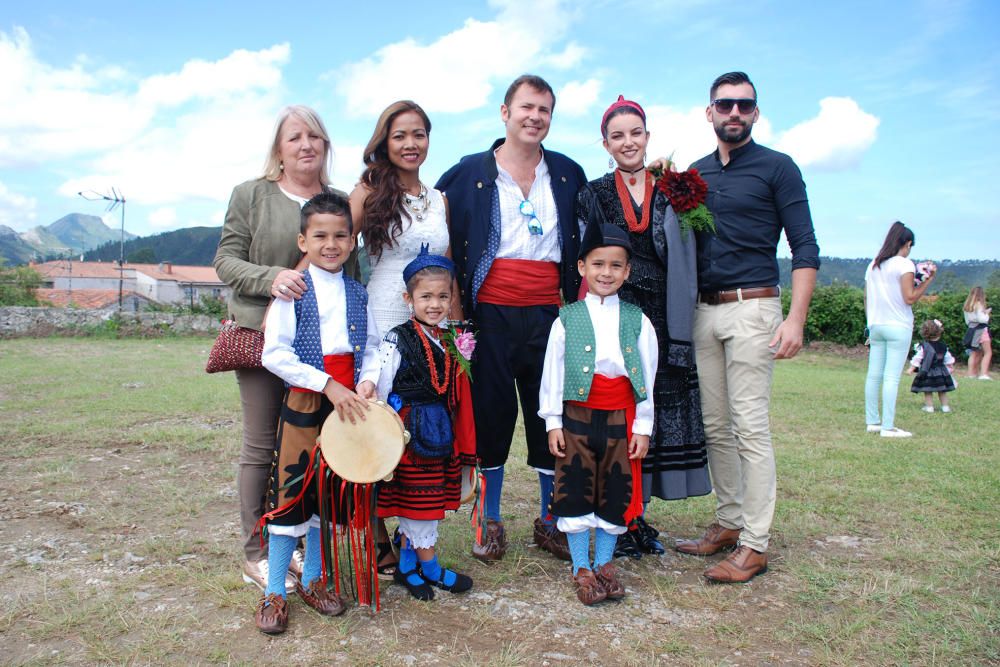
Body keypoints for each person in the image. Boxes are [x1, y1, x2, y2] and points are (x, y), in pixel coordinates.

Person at [674, 72, 819, 584]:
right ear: (709, 111)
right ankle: (730, 522)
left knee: (750, 428)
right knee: (715, 425)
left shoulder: (778, 168)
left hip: (754, 307)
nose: (733, 113)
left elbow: (805, 247)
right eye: (724, 105)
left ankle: (755, 544)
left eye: (744, 105)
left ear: (755, 113)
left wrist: (796, 319)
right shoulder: (694, 173)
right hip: (704, 311)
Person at [436, 74, 587, 563]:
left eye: (544, 109)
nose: (535, 117)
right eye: (526, 107)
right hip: (488, 316)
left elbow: (586, 240)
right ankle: (489, 520)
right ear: (505, 113)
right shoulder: (468, 174)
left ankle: (551, 520)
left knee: (550, 414)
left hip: (549, 313)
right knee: (491, 418)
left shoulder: (566, 173)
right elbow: (437, 232)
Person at [214, 105, 356, 593]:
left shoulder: (336, 202)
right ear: (279, 147)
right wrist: (271, 278)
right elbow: (225, 261)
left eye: (316, 136)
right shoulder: (250, 195)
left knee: (307, 447)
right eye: (295, 137)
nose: (306, 145)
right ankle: (256, 550)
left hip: (321, 349)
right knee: (261, 445)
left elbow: (348, 272)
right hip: (260, 336)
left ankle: (297, 542)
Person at [576, 95, 711, 560]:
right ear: (606, 144)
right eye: (618, 135)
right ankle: (617, 515)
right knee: (618, 416)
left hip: (664, 314)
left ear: (648, 137)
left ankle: (638, 515)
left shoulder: (675, 189)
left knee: (650, 417)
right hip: (613, 316)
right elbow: (587, 263)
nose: (628, 142)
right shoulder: (592, 193)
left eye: (636, 133)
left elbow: (689, 256)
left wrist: (681, 331)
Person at [254, 192, 381, 633]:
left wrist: (367, 380)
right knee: (291, 495)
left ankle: (313, 579)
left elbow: (374, 348)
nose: (331, 244)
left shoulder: (358, 293)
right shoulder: (295, 291)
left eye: (341, 235)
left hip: (349, 406)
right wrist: (327, 384)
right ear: (302, 241)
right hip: (308, 402)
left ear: (352, 241)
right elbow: (274, 354)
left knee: (328, 495)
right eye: (320, 236)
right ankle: (273, 589)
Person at [350, 100, 461, 575]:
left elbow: (450, 264)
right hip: (382, 311)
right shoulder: (369, 191)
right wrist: (291, 287)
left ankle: (413, 527)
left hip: (432, 313)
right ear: (384, 141)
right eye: (399, 135)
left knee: (424, 421)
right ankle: (375, 532)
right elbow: (331, 244)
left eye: (419, 134)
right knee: (378, 417)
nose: (410, 144)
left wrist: (454, 328)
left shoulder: (440, 200)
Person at [539, 222, 657, 605]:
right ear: (581, 268)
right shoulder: (566, 320)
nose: (606, 273)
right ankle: (581, 567)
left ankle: (605, 563)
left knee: (614, 490)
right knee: (574, 488)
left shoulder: (638, 320)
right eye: (598, 264)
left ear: (627, 271)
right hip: (576, 418)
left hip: (621, 419)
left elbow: (646, 378)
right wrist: (553, 422)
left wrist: (643, 426)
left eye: (615, 266)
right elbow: (552, 374)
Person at [373, 248, 476, 600]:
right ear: (409, 298)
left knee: (426, 502)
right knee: (417, 505)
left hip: (440, 433)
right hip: (410, 435)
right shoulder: (396, 339)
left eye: (443, 296)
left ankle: (406, 566)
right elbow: (382, 390)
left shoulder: (450, 340)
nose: (435, 304)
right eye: (426, 296)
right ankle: (429, 568)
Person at [862, 221, 936, 438]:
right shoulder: (905, 265)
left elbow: (867, 296)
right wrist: (927, 281)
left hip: (876, 324)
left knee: (874, 375)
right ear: (908, 243)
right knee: (891, 377)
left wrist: (869, 323)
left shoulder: (874, 264)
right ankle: (888, 426)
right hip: (898, 325)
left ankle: (872, 421)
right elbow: (909, 297)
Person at [907, 319, 956, 412]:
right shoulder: (943, 346)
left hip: (928, 371)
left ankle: (929, 407)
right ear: (939, 332)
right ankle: (945, 407)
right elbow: (948, 357)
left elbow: (918, 358)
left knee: (928, 390)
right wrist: (950, 366)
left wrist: (911, 368)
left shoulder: (924, 346)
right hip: (941, 371)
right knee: (942, 390)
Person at [963, 286, 992, 380]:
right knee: (988, 352)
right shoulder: (979, 304)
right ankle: (984, 374)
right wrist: (986, 313)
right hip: (981, 330)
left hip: (971, 329)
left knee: (974, 353)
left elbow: (967, 321)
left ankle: (971, 374)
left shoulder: (967, 306)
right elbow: (982, 319)